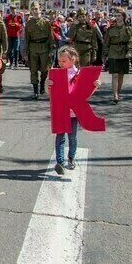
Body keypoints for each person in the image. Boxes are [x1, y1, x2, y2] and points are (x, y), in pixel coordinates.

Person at [49, 46, 101, 175]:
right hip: (61, 110)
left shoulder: (79, 74)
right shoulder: (56, 73)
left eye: (63, 61)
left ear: (73, 60)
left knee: (72, 136)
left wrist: (95, 86)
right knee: (59, 136)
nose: (60, 63)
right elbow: (50, 93)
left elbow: (86, 93)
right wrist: (48, 84)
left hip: (74, 111)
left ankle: (71, 158)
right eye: (59, 61)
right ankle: (60, 162)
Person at [102, 10, 132, 104]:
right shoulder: (110, 29)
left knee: (121, 75)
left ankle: (118, 93)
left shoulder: (128, 29)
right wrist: (104, 55)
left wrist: (129, 52)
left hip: (124, 52)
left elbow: (131, 41)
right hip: (113, 52)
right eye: (116, 15)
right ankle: (115, 95)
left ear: (124, 17)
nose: (117, 17)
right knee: (115, 75)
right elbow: (106, 43)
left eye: (119, 15)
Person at [23, 2, 52, 100]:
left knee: (44, 69)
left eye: (37, 9)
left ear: (40, 10)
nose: (35, 11)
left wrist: (52, 48)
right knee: (33, 70)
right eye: (33, 9)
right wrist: (25, 52)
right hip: (33, 48)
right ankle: (35, 91)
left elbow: (50, 37)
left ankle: (42, 83)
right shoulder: (29, 24)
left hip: (44, 47)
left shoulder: (46, 23)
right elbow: (26, 39)